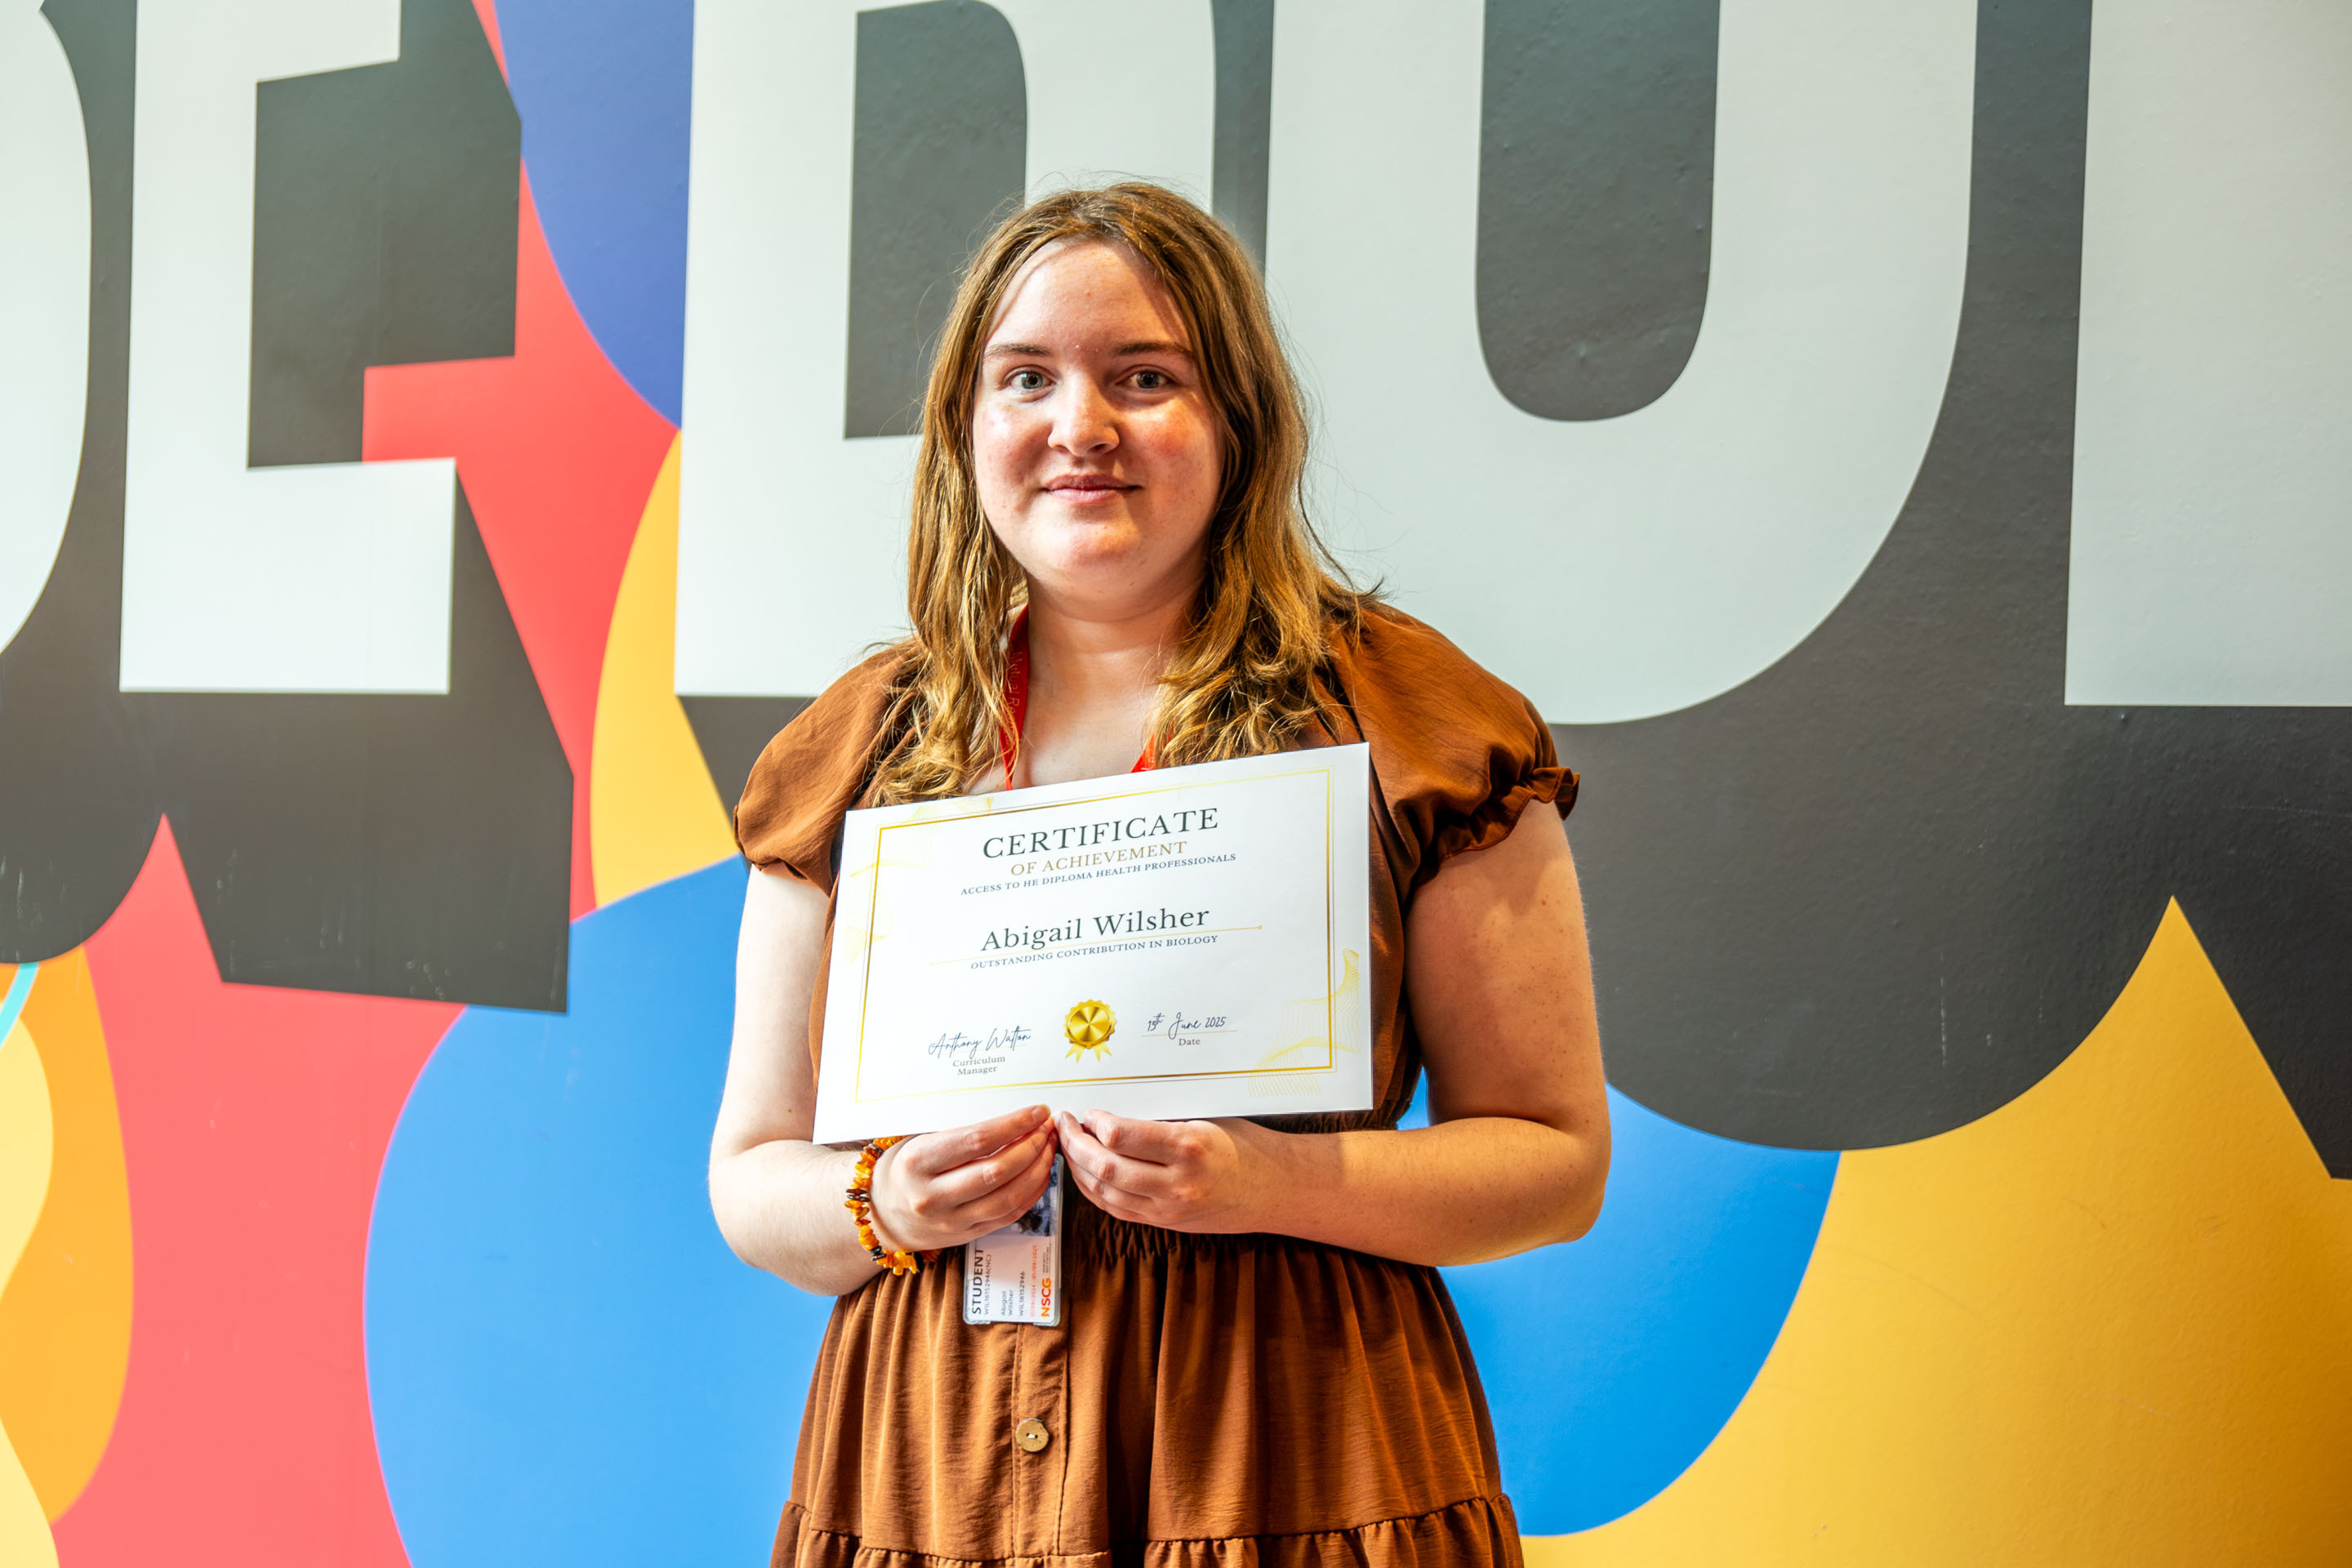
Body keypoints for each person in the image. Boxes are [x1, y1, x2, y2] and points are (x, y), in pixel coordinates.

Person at [710, 182, 1608, 1568]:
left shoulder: (1413, 727)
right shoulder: (854, 754)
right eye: (1026, 378)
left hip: (1293, 1455)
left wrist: (1270, 1183)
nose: (1081, 426)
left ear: (1239, 419)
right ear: (964, 428)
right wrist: (887, 1202)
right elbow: (754, 1176)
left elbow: (1554, 1161)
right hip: (935, 1472)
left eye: (1145, 377)